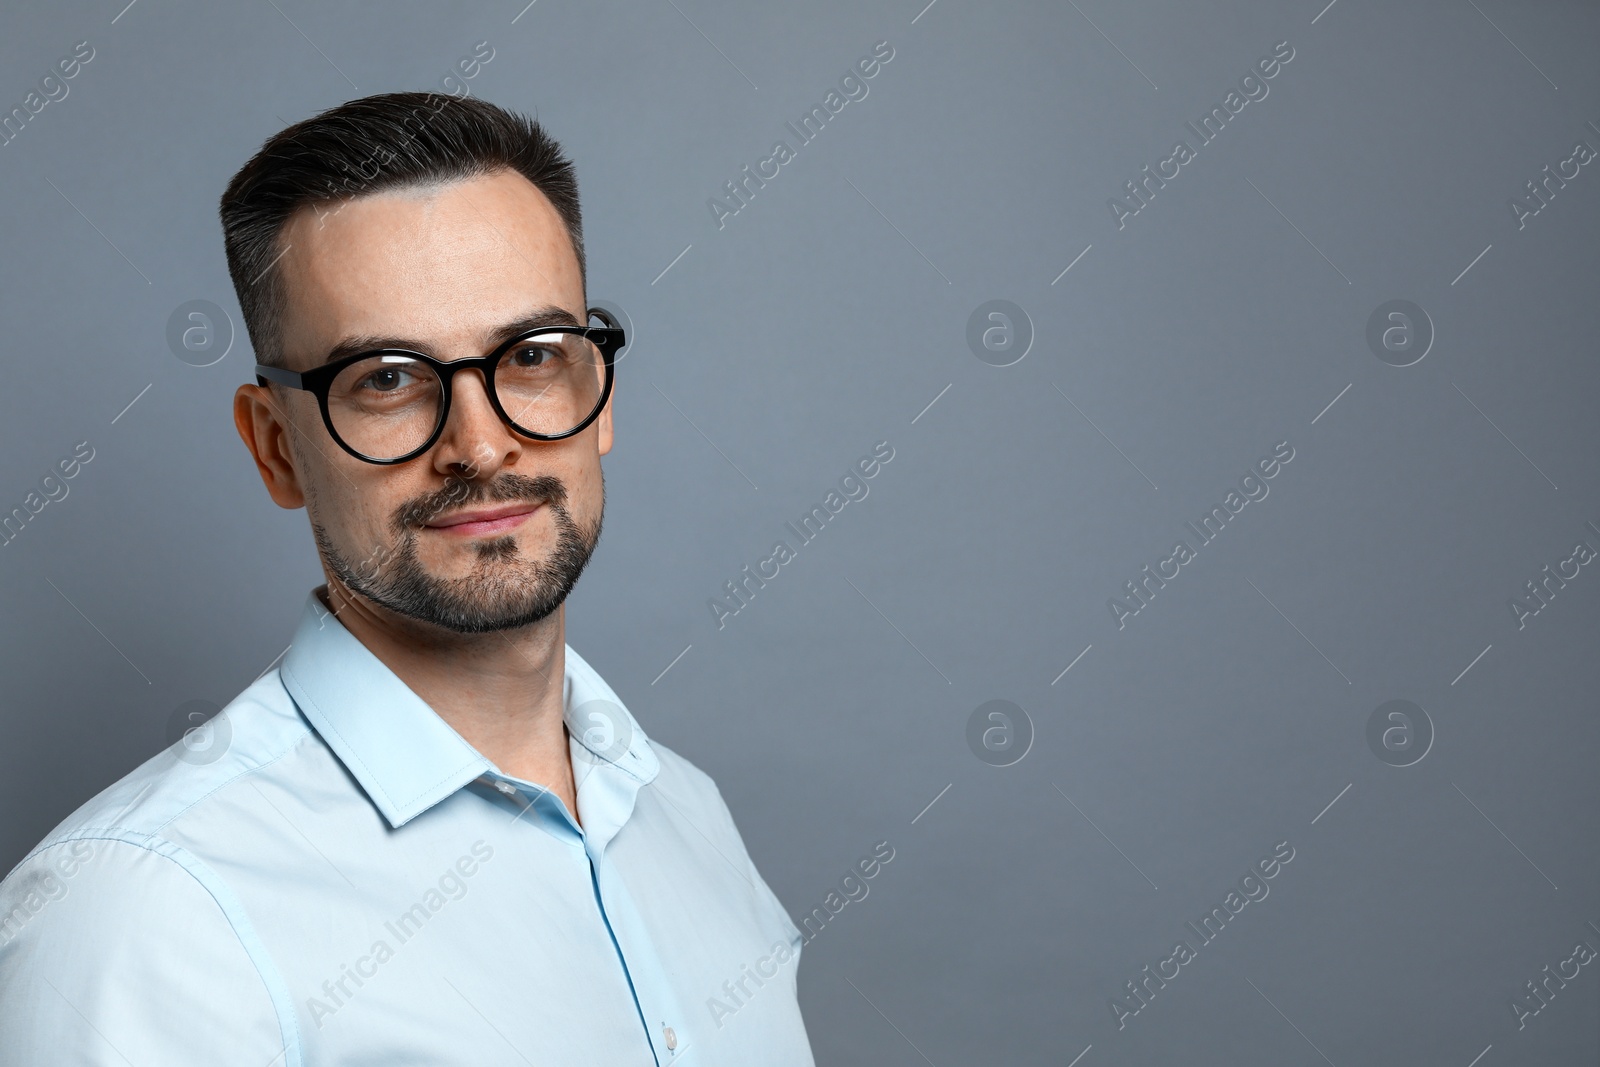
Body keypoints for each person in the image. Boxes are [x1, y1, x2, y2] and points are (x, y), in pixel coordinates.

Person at [0, 91, 814, 1066]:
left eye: (533, 356)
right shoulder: (142, 916)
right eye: (386, 376)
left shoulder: (689, 818)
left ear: (598, 396)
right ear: (276, 449)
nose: (480, 443)